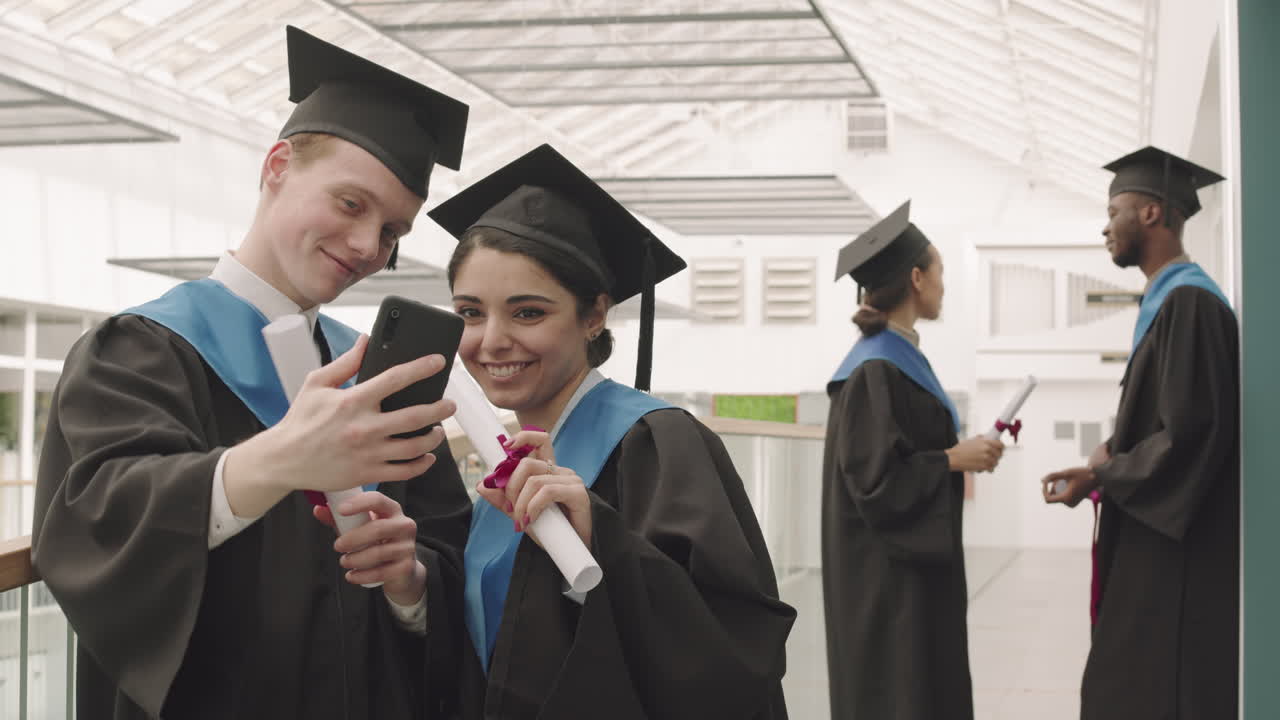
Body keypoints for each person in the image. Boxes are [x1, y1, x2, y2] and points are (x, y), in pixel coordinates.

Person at [32, 26, 472, 719]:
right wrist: (277, 460)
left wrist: (409, 585)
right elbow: (96, 522)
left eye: (392, 231)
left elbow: (446, 553)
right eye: (351, 203)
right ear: (277, 167)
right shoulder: (143, 350)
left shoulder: (375, 378)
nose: (368, 246)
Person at [426, 143, 796, 719]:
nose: (491, 341)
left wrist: (604, 541)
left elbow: (734, 644)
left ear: (594, 315)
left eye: (528, 312)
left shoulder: (657, 443)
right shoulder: (501, 467)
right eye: (471, 312)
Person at [1042, 147, 1238, 720]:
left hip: (1175, 557)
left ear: (1151, 213)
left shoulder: (1190, 303)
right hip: (1156, 538)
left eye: (1114, 211)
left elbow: (1189, 435)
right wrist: (1109, 456)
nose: (1105, 227)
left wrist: (1104, 473)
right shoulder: (1170, 302)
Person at [821, 201, 1004, 720]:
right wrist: (951, 459)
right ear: (917, 278)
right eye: (940, 270)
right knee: (901, 695)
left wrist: (956, 457)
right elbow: (875, 482)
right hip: (887, 588)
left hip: (908, 577)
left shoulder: (898, 359)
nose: (945, 284)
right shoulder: (874, 369)